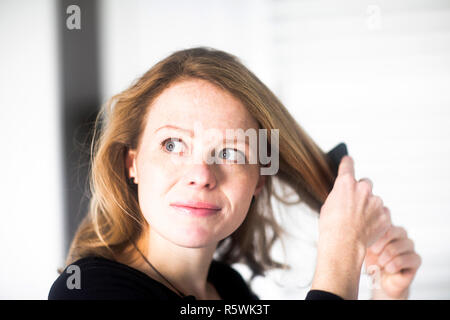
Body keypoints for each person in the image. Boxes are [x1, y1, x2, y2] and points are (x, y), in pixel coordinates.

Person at [48, 47, 421, 300]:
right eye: (173, 145)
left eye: (229, 152)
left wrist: (386, 292)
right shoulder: (87, 290)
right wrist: (341, 254)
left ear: (259, 178)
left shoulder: (229, 289)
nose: (201, 174)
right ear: (132, 164)